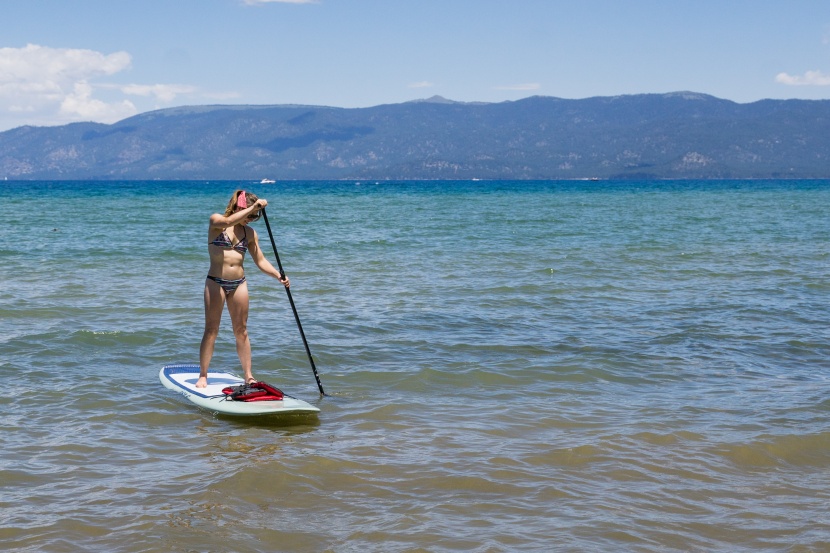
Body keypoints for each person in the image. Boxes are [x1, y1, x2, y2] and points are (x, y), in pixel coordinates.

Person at [197, 189, 290, 388]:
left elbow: (260, 260)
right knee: (211, 330)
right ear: (239, 207)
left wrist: (278, 276)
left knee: (242, 331)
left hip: (239, 283)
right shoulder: (216, 221)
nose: (251, 219)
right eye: (250, 215)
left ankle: (248, 375)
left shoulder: (250, 233)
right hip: (215, 282)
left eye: (255, 216)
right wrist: (253, 208)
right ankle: (203, 375)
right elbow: (228, 221)